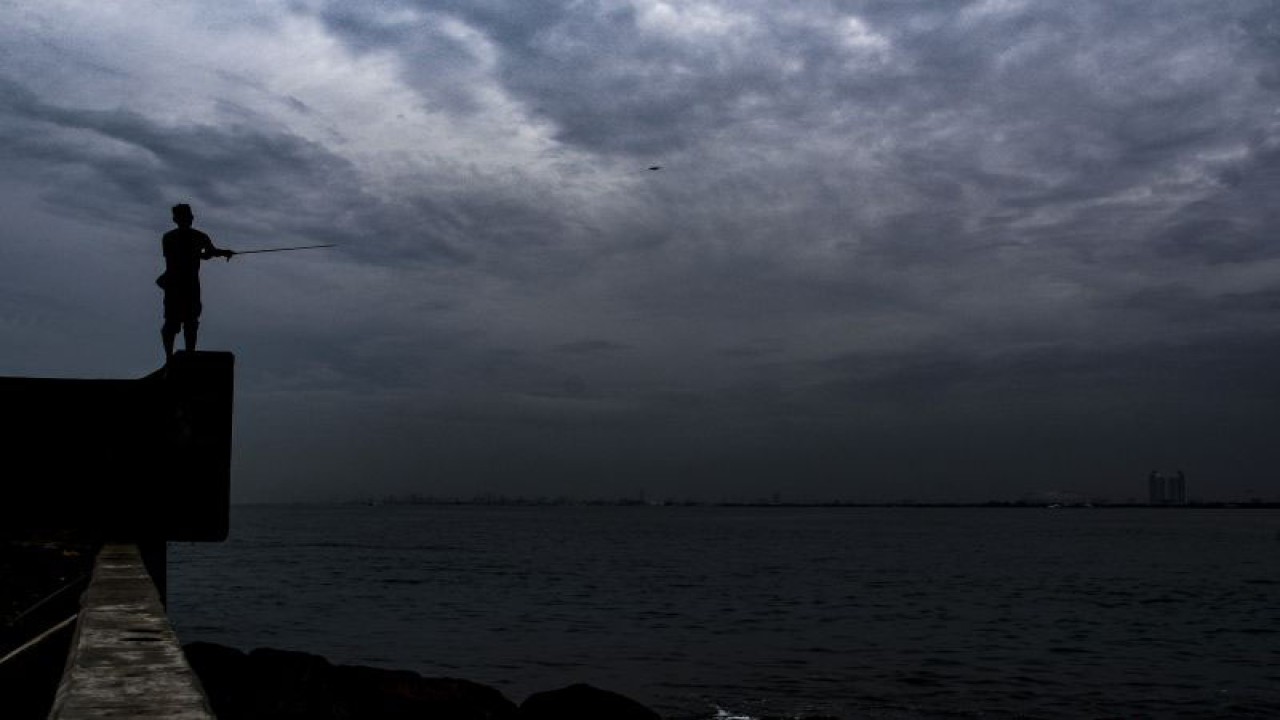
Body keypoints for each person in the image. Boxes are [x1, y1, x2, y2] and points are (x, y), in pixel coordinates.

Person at [158, 203, 234, 360]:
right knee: (175, 323)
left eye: (189, 216)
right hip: (178, 284)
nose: (189, 218)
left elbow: (208, 253)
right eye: (186, 216)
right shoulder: (175, 237)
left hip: (186, 285)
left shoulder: (185, 237)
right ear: (177, 219)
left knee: (189, 322)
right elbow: (178, 258)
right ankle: (172, 358)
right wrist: (211, 254)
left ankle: (187, 356)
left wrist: (221, 252)